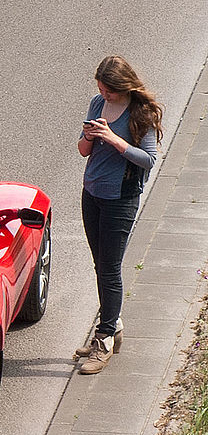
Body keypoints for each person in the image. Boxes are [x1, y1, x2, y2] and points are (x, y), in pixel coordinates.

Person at [75, 55, 163, 374]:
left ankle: (105, 338)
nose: (104, 96)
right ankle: (113, 324)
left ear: (123, 87)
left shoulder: (142, 113)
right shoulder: (97, 104)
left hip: (120, 199)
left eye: (109, 91)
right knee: (101, 264)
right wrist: (89, 135)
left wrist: (114, 139)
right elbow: (84, 151)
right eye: (100, 89)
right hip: (93, 193)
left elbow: (149, 159)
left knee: (110, 268)